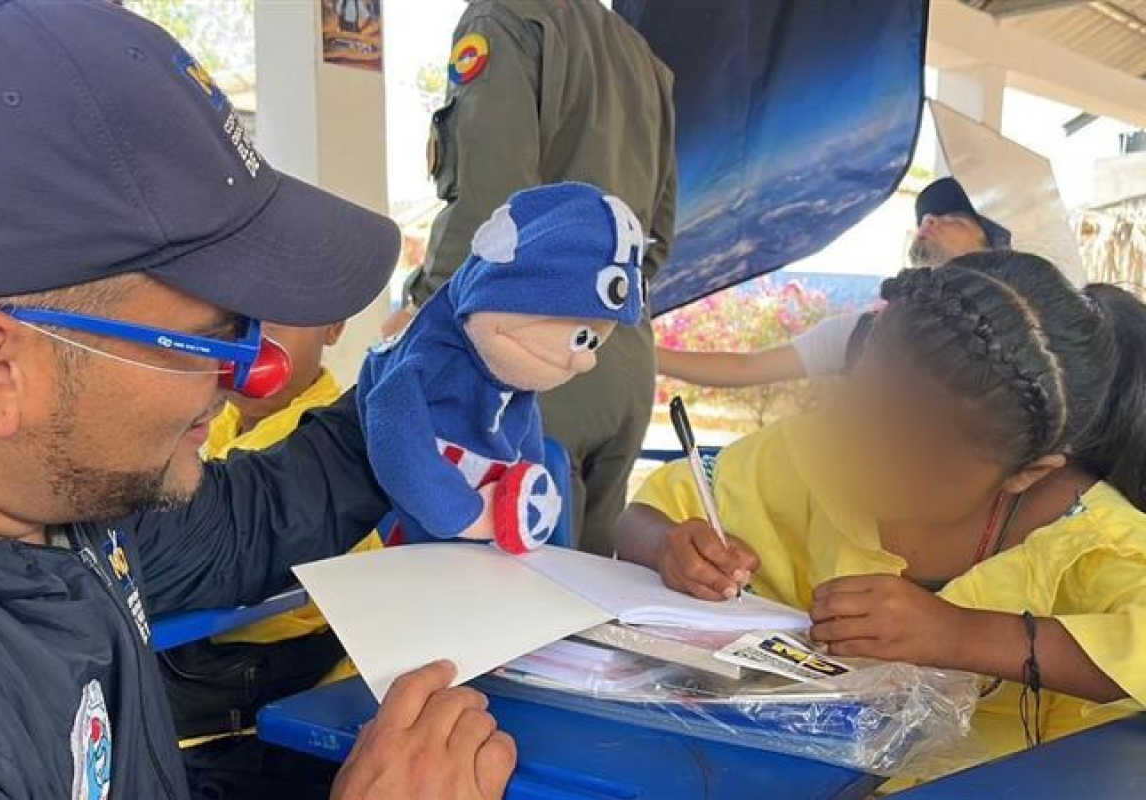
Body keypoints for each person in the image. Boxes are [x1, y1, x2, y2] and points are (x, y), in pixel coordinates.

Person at [0, 2, 514, 798]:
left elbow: (260, 518)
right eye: (214, 339)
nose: (254, 375)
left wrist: (431, 372)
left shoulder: (49, 498)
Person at [617, 251, 1146, 772]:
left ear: (1027, 472)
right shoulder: (813, 454)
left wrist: (957, 635)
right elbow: (643, 515)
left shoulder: (1085, 536)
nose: (870, 463)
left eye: (928, 462)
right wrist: (670, 546)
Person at [383, 0, 677, 557]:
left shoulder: (504, 21)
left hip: (530, 356)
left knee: (494, 595)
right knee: (586, 607)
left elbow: (492, 210)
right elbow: (658, 235)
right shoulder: (644, 60)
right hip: (621, 354)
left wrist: (423, 311)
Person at [162, 321, 389, 800]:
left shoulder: (319, 445)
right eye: (236, 313)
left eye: (278, 314)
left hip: (265, 718)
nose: (253, 331)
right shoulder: (215, 424)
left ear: (334, 326)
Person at [657, 177, 1012, 388]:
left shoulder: (1013, 350)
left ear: (993, 253)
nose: (930, 220)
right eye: (929, 216)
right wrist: (647, 353)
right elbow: (747, 368)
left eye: (955, 219)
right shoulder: (865, 331)